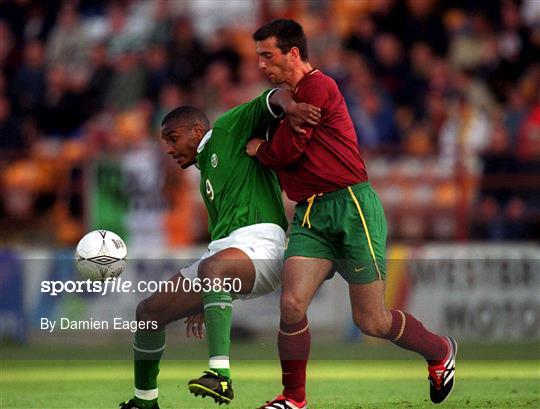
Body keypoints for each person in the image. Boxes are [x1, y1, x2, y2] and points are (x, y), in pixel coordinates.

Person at [246, 19, 457, 409]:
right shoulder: (289, 98)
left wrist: (261, 148)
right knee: (292, 304)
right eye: (258, 56)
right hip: (310, 213)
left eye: (267, 55)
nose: (260, 64)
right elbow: (287, 145)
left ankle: (440, 350)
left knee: (372, 322)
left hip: (351, 206)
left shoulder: (319, 86)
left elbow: (288, 152)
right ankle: (293, 399)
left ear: (293, 53)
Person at [119, 88, 321, 409]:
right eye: (165, 142)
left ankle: (221, 376)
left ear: (198, 131)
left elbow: (273, 97)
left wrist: (292, 106)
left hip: (262, 245)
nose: (169, 149)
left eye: (172, 138)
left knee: (212, 269)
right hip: (225, 255)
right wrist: (209, 299)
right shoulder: (206, 175)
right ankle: (145, 401)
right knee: (148, 313)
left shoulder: (228, 129)